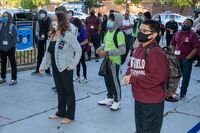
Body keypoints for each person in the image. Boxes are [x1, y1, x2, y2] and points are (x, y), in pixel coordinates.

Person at [122, 20, 169, 133]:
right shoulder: (139, 48)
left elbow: (157, 77)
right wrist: (128, 75)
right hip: (139, 98)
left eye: (144, 31)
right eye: (139, 30)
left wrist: (133, 79)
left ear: (153, 35)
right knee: (141, 129)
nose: (140, 33)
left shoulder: (156, 52)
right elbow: (131, 65)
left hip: (152, 102)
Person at [39, 12, 81, 124]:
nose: (54, 22)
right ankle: (61, 112)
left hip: (65, 68)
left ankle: (70, 115)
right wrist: (43, 66)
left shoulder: (68, 35)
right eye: (53, 20)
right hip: (55, 67)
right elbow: (48, 53)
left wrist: (71, 65)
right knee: (60, 91)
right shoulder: (52, 35)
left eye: (56, 20)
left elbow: (78, 50)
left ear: (62, 21)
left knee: (69, 92)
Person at [97, 13, 126, 111]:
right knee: (107, 79)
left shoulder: (119, 33)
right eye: (110, 19)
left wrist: (108, 52)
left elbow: (123, 50)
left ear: (117, 21)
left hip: (114, 62)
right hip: (107, 60)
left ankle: (117, 100)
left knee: (114, 81)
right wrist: (99, 48)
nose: (109, 21)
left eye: (112, 19)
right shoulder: (108, 32)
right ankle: (109, 98)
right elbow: (105, 44)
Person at [171, 19, 200, 99]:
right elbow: (172, 44)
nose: (184, 25)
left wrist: (188, 58)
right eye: (184, 23)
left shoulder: (193, 35)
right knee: (175, 76)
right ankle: (173, 92)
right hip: (176, 58)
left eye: (187, 24)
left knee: (185, 77)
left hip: (186, 60)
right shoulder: (177, 33)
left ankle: (182, 93)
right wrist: (173, 54)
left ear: (191, 26)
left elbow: (196, 48)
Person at [0, 12, 18, 85]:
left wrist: (10, 45)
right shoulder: (0, 25)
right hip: (2, 48)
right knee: (3, 63)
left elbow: (15, 38)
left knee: (13, 63)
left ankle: (14, 78)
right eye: (3, 16)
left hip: (10, 48)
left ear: (9, 17)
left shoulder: (12, 26)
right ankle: (3, 77)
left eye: (6, 17)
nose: (5, 18)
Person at [32, 9, 51, 75]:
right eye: (41, 13)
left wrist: (49, 35)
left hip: (48, 39)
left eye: (44, 13)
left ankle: (47, 70)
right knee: (40, 55)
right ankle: (38, 69)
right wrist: (37, 36)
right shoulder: (39, 21)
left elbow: (51, 29)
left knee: (47, 54)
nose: (42, 14)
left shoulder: (49, 20)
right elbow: (37, 30)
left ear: (46, 13)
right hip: (40, 39)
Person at [73, 18, 88, 83]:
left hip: (82, 48)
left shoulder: (83, 30)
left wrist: (78, 44)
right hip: (76, 48)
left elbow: (86, 41)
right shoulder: (75, 30)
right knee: (77, 62)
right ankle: (77, 76)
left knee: (82, 62)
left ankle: (84, 77)